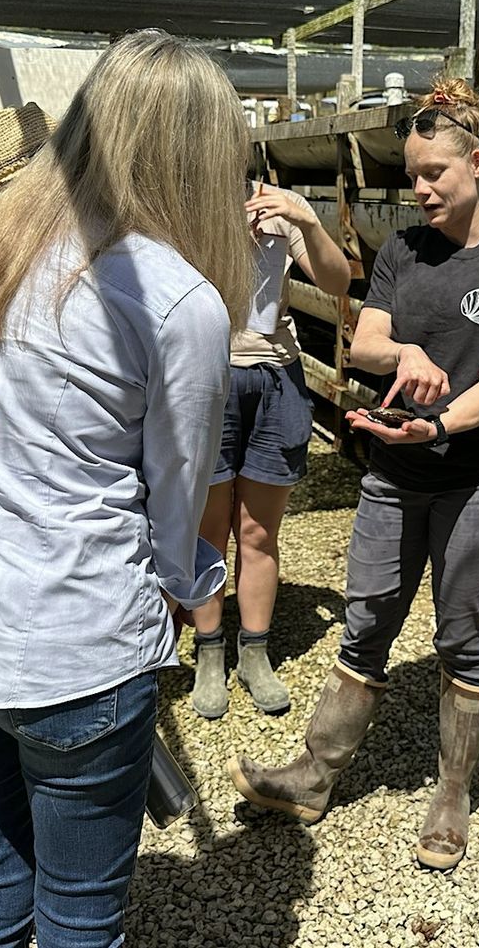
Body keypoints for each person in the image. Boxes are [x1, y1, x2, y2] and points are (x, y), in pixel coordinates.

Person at [0, 31, 255, 948]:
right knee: (80, 919)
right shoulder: (176, 299)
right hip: (71, 644)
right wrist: (195, 586)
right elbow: (177, 501)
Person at [228, 77, 479, 869]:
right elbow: (365, 341)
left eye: (434, 174)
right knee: (368, 616)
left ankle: (451, 791)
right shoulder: (406, 250)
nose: (419, 190)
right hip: (393, 470)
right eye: (411, 175)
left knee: (461, 631)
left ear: (477, 163)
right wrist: (405, 355)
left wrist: (438, 422)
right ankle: (314, 773)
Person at [190, 180, 350, 718]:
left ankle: (254, 651)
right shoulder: (184, 199)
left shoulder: (275, 206)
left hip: (277, 375)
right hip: (209, 376)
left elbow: (338, 280)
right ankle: (208, 651)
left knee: (259, 532)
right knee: (208, 530)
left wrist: (305, 220)